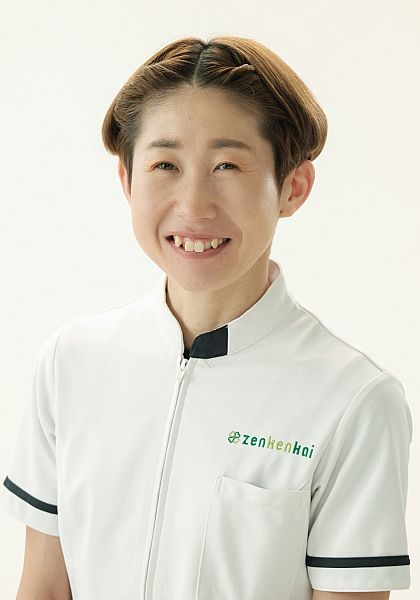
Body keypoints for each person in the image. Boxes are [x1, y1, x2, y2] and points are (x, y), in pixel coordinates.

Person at [0, 35, 411, 600]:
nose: (193, 206)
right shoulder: (70, 362)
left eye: (227, 165)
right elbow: (44, 588)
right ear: (127, 181)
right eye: (165, 164)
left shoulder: (354, 400)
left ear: (292, 188)